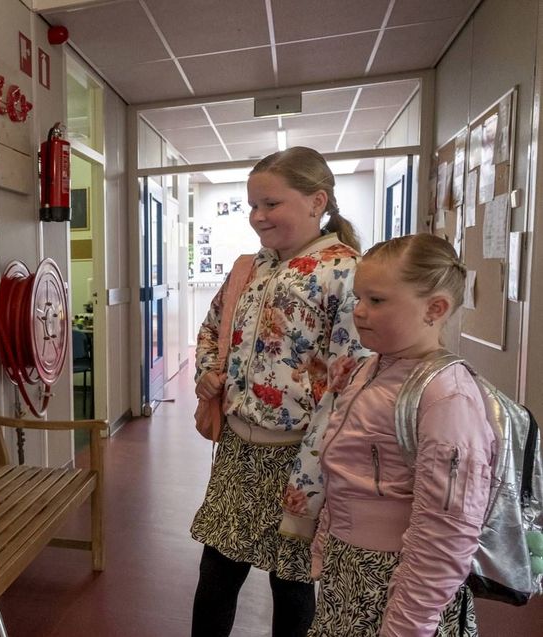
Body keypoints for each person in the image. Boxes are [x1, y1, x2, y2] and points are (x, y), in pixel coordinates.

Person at [191, 147, 368, 637]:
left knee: (290, 583)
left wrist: (319, 467)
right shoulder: (252, 267)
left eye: (271, 204)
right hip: (237, 451)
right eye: (252, 205)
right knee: (216, 572)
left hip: (300, 459)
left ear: (317, 201)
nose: (258, 217)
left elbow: (351, 380)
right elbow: (210, 330)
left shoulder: (347, 272)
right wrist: (210, 372)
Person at [306, 234, 493, 636]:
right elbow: (344, 469)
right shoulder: (370, 369)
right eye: (359, 298)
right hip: (351, 572)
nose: (359, 312)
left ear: (435, 308)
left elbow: (448, 528)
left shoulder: (447, 396)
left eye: (377, 301)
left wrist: (409, 624)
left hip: (399, 591)